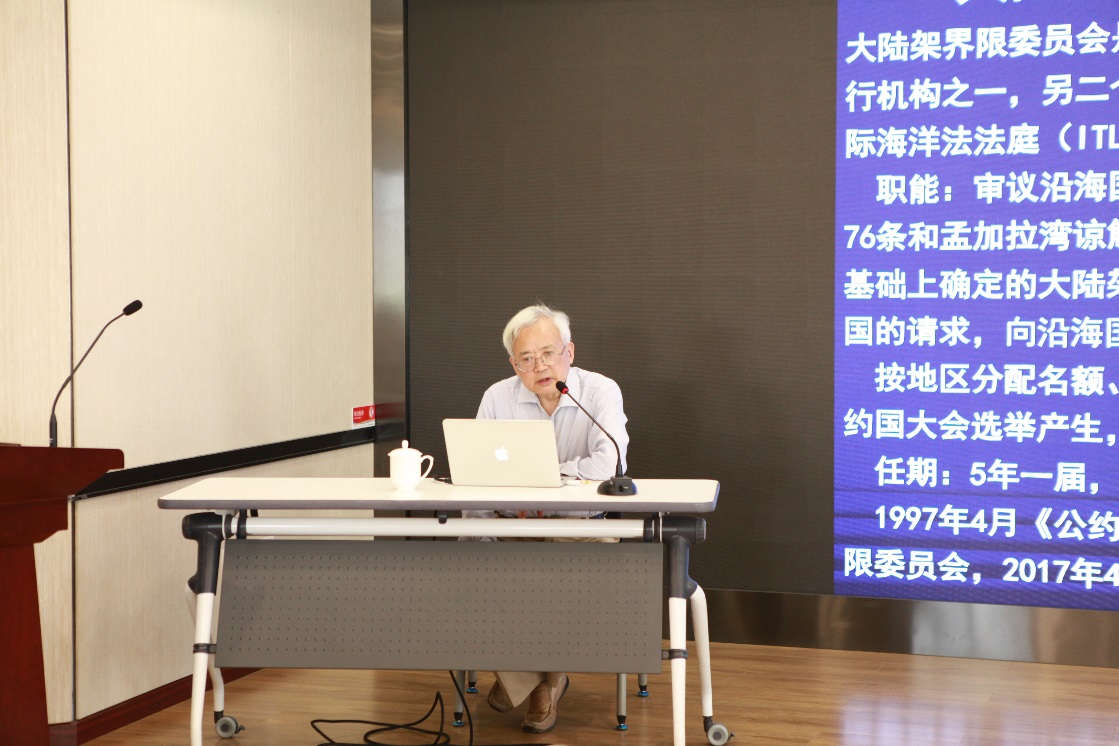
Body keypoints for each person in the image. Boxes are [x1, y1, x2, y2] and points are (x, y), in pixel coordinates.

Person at [471, 303, 628, 734]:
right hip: (512, 528)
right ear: (514, 365)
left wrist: (543, 476)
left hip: (581, 529)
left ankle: (528, 683)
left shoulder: (599, 392)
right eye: (527, 358)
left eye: (548, 354)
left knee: (557, 579)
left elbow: (609, 463)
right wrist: (476, 535)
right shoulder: (497, 398)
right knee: (477, 571)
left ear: (569, 352)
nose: (539, 366)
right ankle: (541, 681)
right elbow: (477, 474)